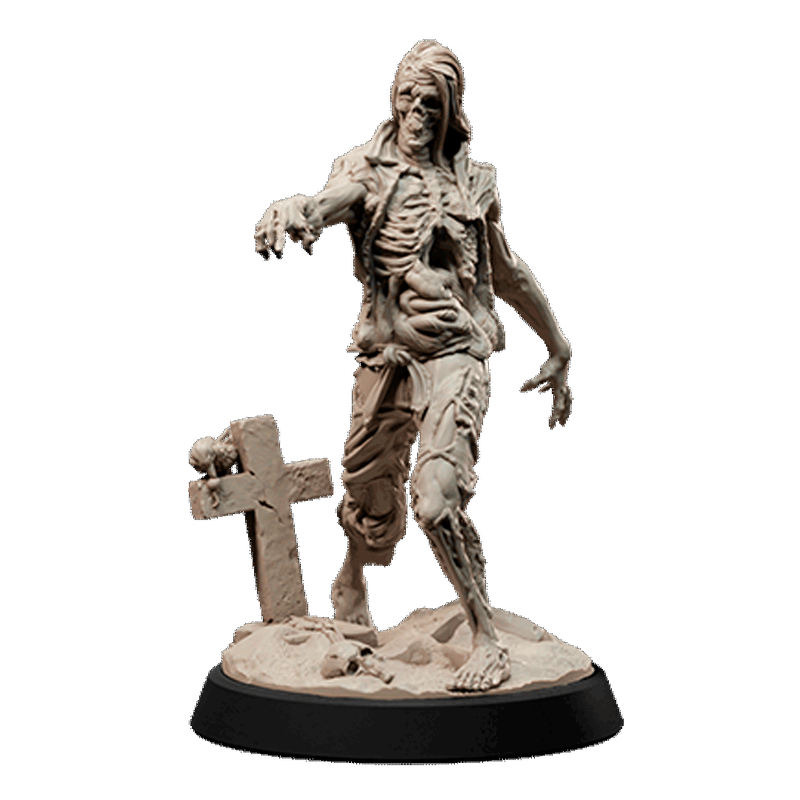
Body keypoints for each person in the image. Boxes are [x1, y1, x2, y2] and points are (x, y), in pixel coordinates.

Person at [254, 39, 572, 692]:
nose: (418, 114)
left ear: (451, 110)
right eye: (408, 99)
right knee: (366, 492)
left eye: (432, 103)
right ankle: (353, 580)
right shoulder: (365, 170)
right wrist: (292, 209)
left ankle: (486, 637)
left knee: (435, 499)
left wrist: (558, 343)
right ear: (392, 100)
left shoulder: (473, 183)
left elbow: (507, 271)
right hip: (387, 356)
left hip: (456, 353)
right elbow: (326, 204)